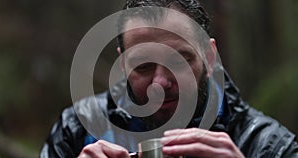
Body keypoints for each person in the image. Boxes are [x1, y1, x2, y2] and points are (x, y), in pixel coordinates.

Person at [40, 0, 298, 157]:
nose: (159, 84)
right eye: (143, 66)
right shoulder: (78, 129)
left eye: (179, 61)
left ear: (209, 58)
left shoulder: (267, 145)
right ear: (122, 64)